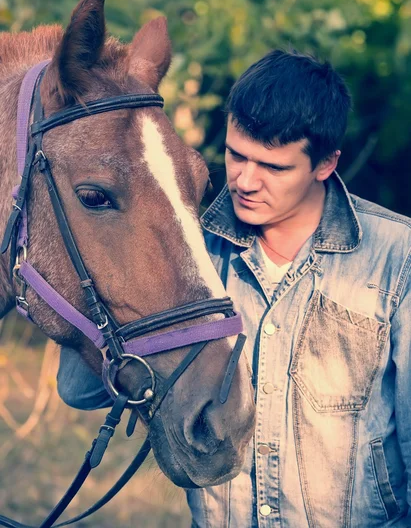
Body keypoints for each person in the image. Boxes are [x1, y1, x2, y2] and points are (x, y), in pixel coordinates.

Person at [57, 49, 411, 527]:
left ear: (325, 164)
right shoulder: (189, 244)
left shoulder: (397, 259)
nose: (244, 180)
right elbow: (81, 393)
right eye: (235, 154)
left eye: (273, 167)